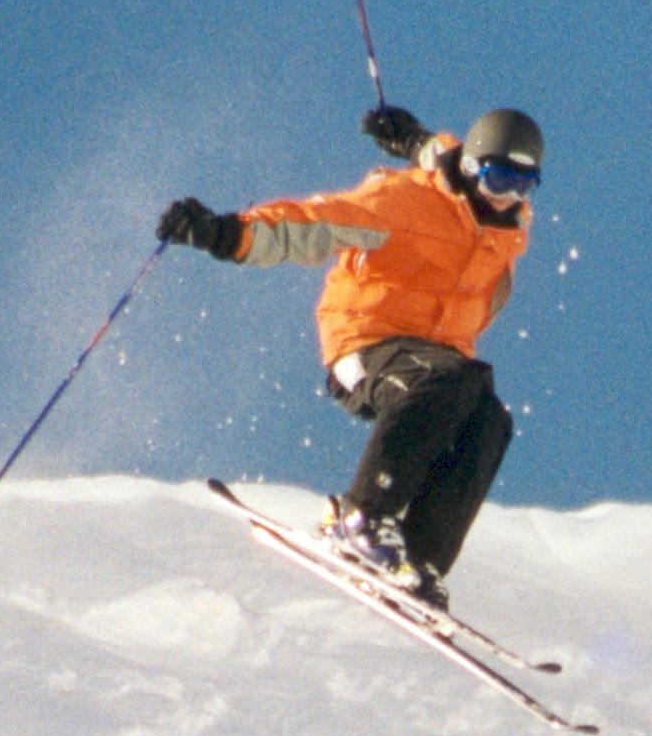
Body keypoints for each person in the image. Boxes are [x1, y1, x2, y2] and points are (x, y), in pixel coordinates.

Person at [158, 105, 542, 609]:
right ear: (472, 169)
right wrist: (227, 234)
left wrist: (413, 139)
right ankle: (360, 518)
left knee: (489, 420)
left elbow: (441, 151)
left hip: (438, 367)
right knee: (451, 379)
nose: (508, 197)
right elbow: (317, 222)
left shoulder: (506, 231)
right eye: (498, 180)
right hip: (365, 343)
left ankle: (418, 562)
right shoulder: (403, 201)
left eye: (523, 184)